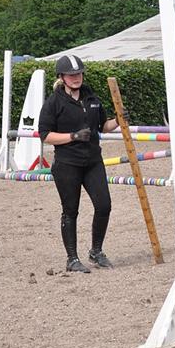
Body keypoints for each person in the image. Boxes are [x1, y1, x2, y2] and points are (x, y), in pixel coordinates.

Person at [38, 54, 121, 273]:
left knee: (104, 205)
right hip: (67, 164)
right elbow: (45, 135)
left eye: (79, 74)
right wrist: (73, 136)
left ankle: (96, 251)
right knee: (70, 210)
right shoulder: (53, 103)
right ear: (62, 77)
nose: (76, 78)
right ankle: (72, 258)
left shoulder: (92, 98)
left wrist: (119, 120)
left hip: (93, 161)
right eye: (71, 75)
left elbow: (103, 126)